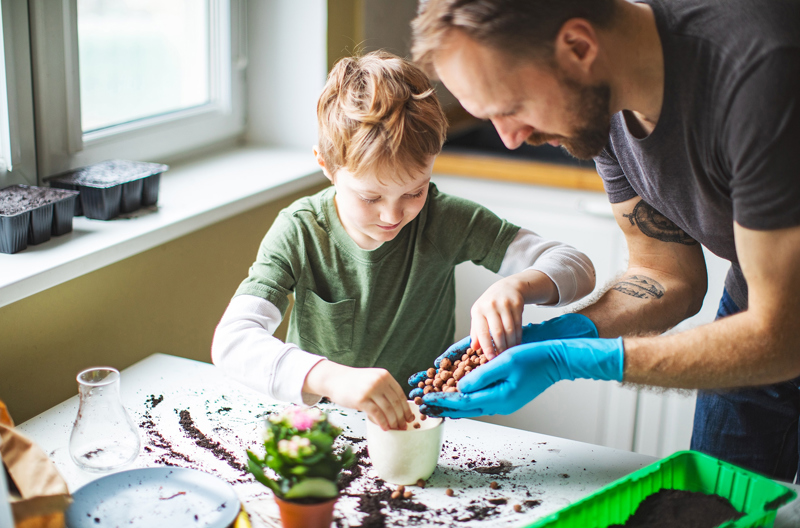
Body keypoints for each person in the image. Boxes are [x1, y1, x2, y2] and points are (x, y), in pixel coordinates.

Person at [410, 0, 800, 483]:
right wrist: (562, 334)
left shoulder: (758, 73)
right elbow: (665, 273)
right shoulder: (601, 102)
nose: (509, 138)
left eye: (511, 108)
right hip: (760, 300)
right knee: (716, 507)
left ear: (578, 46)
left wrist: (577, 362)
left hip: (779, 321)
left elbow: (782, 336)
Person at [211, 51, 596, 431]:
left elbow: (577, 266)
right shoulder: (300, 231)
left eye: (414, 192)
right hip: (321, 427)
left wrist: (519, 285)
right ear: (326, 167)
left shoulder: (445, 220)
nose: (393, 216)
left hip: (420, 424)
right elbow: (232, 342)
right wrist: (330, 378)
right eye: (370, 197)